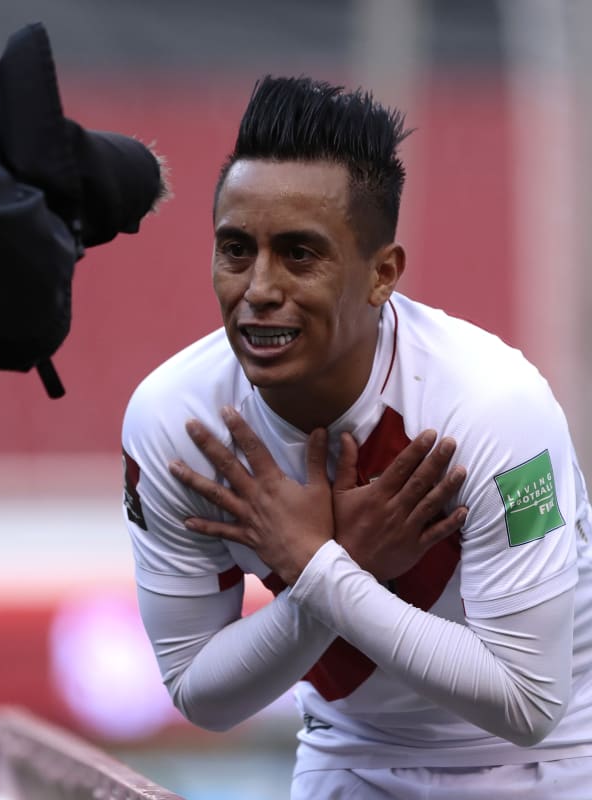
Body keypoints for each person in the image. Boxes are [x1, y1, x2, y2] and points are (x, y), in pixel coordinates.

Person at [120, 75, 592, 798]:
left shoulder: (497, 409)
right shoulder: (173, 423)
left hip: (547, 766)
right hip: (345, 761)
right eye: (236, 249)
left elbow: (527, 703)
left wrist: (320, 567)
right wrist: (344, 567)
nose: (259, 287)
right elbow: (198, 693)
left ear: (383, 275)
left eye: (299, 254)